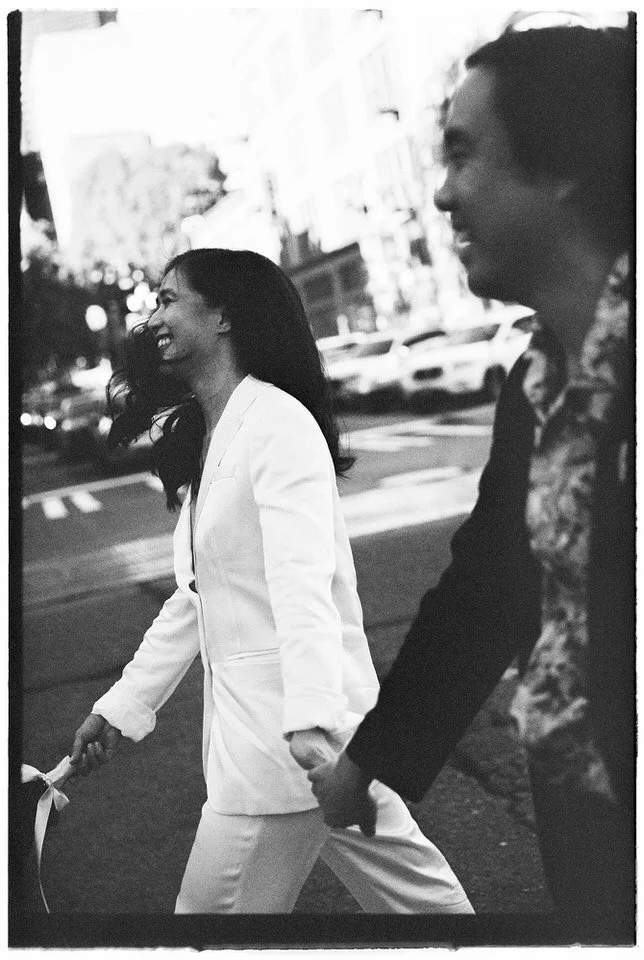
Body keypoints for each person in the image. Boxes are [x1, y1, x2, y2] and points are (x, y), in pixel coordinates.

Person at [309, 24, 634, 922]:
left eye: (461, 154)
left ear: (561, 164)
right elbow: (490, 584)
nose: (442, 194)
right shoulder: (539, 379)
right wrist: (370, 762)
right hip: (588, 825)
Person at [69, 248, 473, 914]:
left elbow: (302, 581)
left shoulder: (278, 424)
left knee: (206, 931)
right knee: (426, 910)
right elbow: (196, 598)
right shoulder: (215, 434)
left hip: (285, 744)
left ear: (223, 315)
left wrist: (310, 723)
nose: (153, 317)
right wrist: (120, 707)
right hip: (292, 744)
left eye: (169, 299)